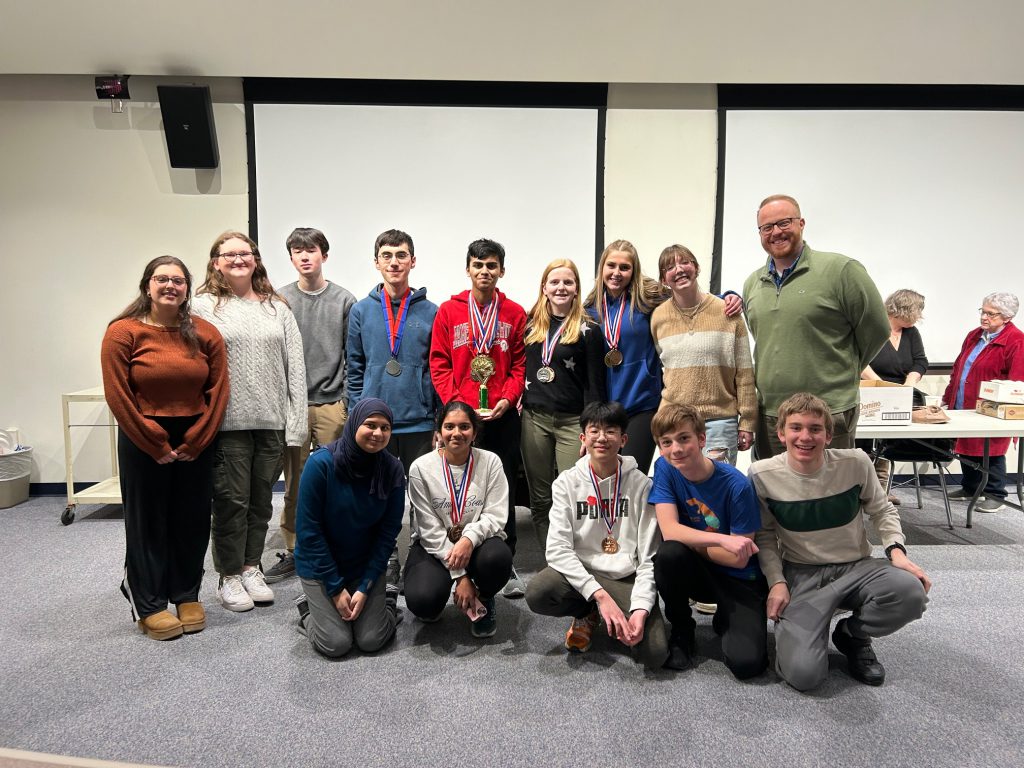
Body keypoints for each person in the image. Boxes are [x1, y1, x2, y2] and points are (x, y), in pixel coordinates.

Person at [749, 393, 931, 691]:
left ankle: (852, 635)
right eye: (796, 428)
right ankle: (812, 631)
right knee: (804, 676)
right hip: (803, 573)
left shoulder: (856, 463)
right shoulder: (762, 475)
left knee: (910, 593)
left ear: (829, 435)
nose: (805, 437)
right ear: (781, 434)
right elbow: (765, 536)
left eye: (815, 428)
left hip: (857, 566)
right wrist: (776, 582)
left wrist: (896, 551)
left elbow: (882, 509)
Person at [101, 256, 229, 640]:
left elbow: (218, 391)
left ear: (188, 289)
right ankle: (150, 602)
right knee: (148, 520)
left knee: (191, 518)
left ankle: (186, 593)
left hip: (195, 439)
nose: (170, 286)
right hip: (143, 437)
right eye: (162, 279)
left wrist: (196, 439)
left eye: (177, 280)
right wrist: (153, 441)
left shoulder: (206, 333)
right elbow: (118, 393)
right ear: (147, 286)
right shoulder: (123, 332)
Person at [194, 231, 307, 612]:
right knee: (230, 501)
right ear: (216, 262)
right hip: (227, 424)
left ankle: (250, 566)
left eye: (246, 253)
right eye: (230, 254)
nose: (239, 259)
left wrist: (296, 423)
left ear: (256, 260)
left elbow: (295, 367)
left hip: (271, 421)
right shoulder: (203, 307)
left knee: (260, 502)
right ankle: (228, 576)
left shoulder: (277, 307)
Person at [742, 194, 889, 458]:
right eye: (767, 227)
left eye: (784, 223)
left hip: (827, 412)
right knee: (775, 494)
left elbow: (877, 329)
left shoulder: (841, 271)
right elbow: (766, 340)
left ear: (801, 223)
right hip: (771, 416)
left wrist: (842, 370)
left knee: (831, 493)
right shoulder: (753, 283)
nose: (776, 232)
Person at [525, 402, 668, 670]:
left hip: (626, 577)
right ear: (583, 438)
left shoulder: (642, 486)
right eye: (594, 431)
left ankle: (619, 611)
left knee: (655, 653)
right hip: (583, 571)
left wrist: (640, 609)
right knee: (538, 592)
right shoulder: (566, 483)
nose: (602, 438)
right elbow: (557, 550)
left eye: (611, 431)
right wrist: (599, 595)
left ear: (623, 439)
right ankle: (586, 612)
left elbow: (650, 557)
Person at [430, 238, 527, 598]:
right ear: (468, 268)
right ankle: (456, 555)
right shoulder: (448, 311)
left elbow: (519, 364)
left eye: (491, 265)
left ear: (501, 270)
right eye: (478, 265)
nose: (484, 271)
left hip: (501, 415)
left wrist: (507, 396)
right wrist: (455, 404)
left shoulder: (515, 313)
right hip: (463, 418)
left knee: (504, 488)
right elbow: (438, 362)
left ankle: (507, 559)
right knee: (461, 486)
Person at [349, 229, 439, 594]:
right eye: (387, 255)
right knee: (377, 496)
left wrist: (436, 418)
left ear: (412, 261)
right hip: (375, 425)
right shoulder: (361, 310)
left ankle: (420, 554)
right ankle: (386, 560)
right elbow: (354, 366)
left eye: (402, 255)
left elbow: (436, 368)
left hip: (418, 420)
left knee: (422, 496)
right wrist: (357, 414)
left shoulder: (430, 312)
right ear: (377, 262)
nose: (394, 262)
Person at [648, 404, 768, 678]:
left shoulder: (737, 485)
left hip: (739, 579)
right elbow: (669, 531)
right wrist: (724, 541)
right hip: (700, 571)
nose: (675, 449)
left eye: (683, 438)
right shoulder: (665, 468)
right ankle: (682, 629)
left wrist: (695, 542)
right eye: (666, 442)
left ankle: (726, 616)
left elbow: (738, 559)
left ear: (702, 439)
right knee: (668, 555)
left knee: (747, 665)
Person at [265, 228, 356, 584]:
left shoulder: (344, 300)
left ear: (324, 256)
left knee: (339, 478)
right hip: (293, 405)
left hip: (332, 402)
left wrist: (346, 400)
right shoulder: (279, 299)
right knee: (297, 483)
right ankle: (295, 550)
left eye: (311, 250)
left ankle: (338, 543)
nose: (305, 257)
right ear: (290, 258)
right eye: (297, 251)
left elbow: (353, 355)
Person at [293, 399, 405, 658]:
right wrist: (334, 588)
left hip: (363, 566)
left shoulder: (392, 469)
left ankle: (386, 599)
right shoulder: (321, 464)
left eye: (385, 427)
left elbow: (388, 534)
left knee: (371, 640)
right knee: (336, 643)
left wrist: (366, 586)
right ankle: (307, 609)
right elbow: (309, 533)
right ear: (354, 424)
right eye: (370, 425)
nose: (378, 434)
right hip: (320, 568)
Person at [405, 401, 513, 637]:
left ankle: (484, 597)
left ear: (474, 433)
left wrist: (468, 539)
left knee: (498, 558)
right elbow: (428, 529)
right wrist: (461, 576)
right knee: (424, 601)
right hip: (435, 546)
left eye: (464, 427)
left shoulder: (490, 462)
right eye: (449, 426)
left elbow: (496, 515)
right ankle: (454, 588)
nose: (456, 433)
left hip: (476, 545)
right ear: (439, 433)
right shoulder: (420, 468)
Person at [521, 258, 607, 546]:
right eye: (554, 282)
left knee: (573, 494)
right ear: (544, 287)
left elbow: (595, 385)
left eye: (567, 282)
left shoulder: (590, 329)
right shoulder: (530, 325)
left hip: (573, 423)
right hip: (534, 420)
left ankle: (577, 559)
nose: (561, 287)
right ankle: (551, 564)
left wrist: (591, 429)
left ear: (576, 288)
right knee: (540, 498)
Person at [651, 244, 756, 466]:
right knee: (681, 494)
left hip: (719, 422)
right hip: (674, 424)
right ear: (663, 280)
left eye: (685, 262)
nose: (679, 270)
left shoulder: (728, 312)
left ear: (697, 268)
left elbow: (744, 373)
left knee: (716, 493)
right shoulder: (658, 318)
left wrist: (747, 422)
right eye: (670, 267)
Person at [583, 241, 668, 475]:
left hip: (642, 404)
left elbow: (688, 297)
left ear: (634, 271)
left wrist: (728, 296)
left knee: (632, 476)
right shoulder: (589, 308)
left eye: (624, 267)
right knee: (605, 478)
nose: (617, 273)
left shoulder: (649, 300)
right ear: (602, 268)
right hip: (605, 410)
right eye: (611, 265)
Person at [943, 292, 1024, 513]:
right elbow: (959, 368)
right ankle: (970, 487)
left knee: (992, 449)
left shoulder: (1016, 340)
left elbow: (1017, 380)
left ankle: (996, 493)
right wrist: (947, 397)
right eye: (983, 311)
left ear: (1006, 317)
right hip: (964, 400)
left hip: (991, 408)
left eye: (991, 314)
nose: (984, 317)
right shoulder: (974, 335)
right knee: (965, 445)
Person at [859, 289, 929, 504]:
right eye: (918, 312)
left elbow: (920, 361)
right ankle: (863, 490)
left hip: (901, 396)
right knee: (866, 444)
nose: (919, 318)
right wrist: (883, 386)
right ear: (905, 310)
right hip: (870, 392)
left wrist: (909, 384)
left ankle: (881, 490)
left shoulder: (911, 333)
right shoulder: (871, 328)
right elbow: (860, 360)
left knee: (888, 442)